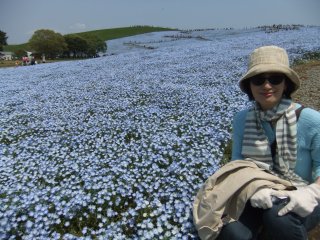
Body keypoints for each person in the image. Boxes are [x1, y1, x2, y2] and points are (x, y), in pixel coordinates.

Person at [217, 45, 320, 239]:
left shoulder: (312, 120)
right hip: (259, 192)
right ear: (249, 85)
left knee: (277, 218)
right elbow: (238, 163)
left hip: (303, 193)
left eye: (275, 79)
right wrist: (252, 188)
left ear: (286, 84)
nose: (266, 86)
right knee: (230, 231)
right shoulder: (242, 119)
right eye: (258, 80)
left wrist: (311, 193)